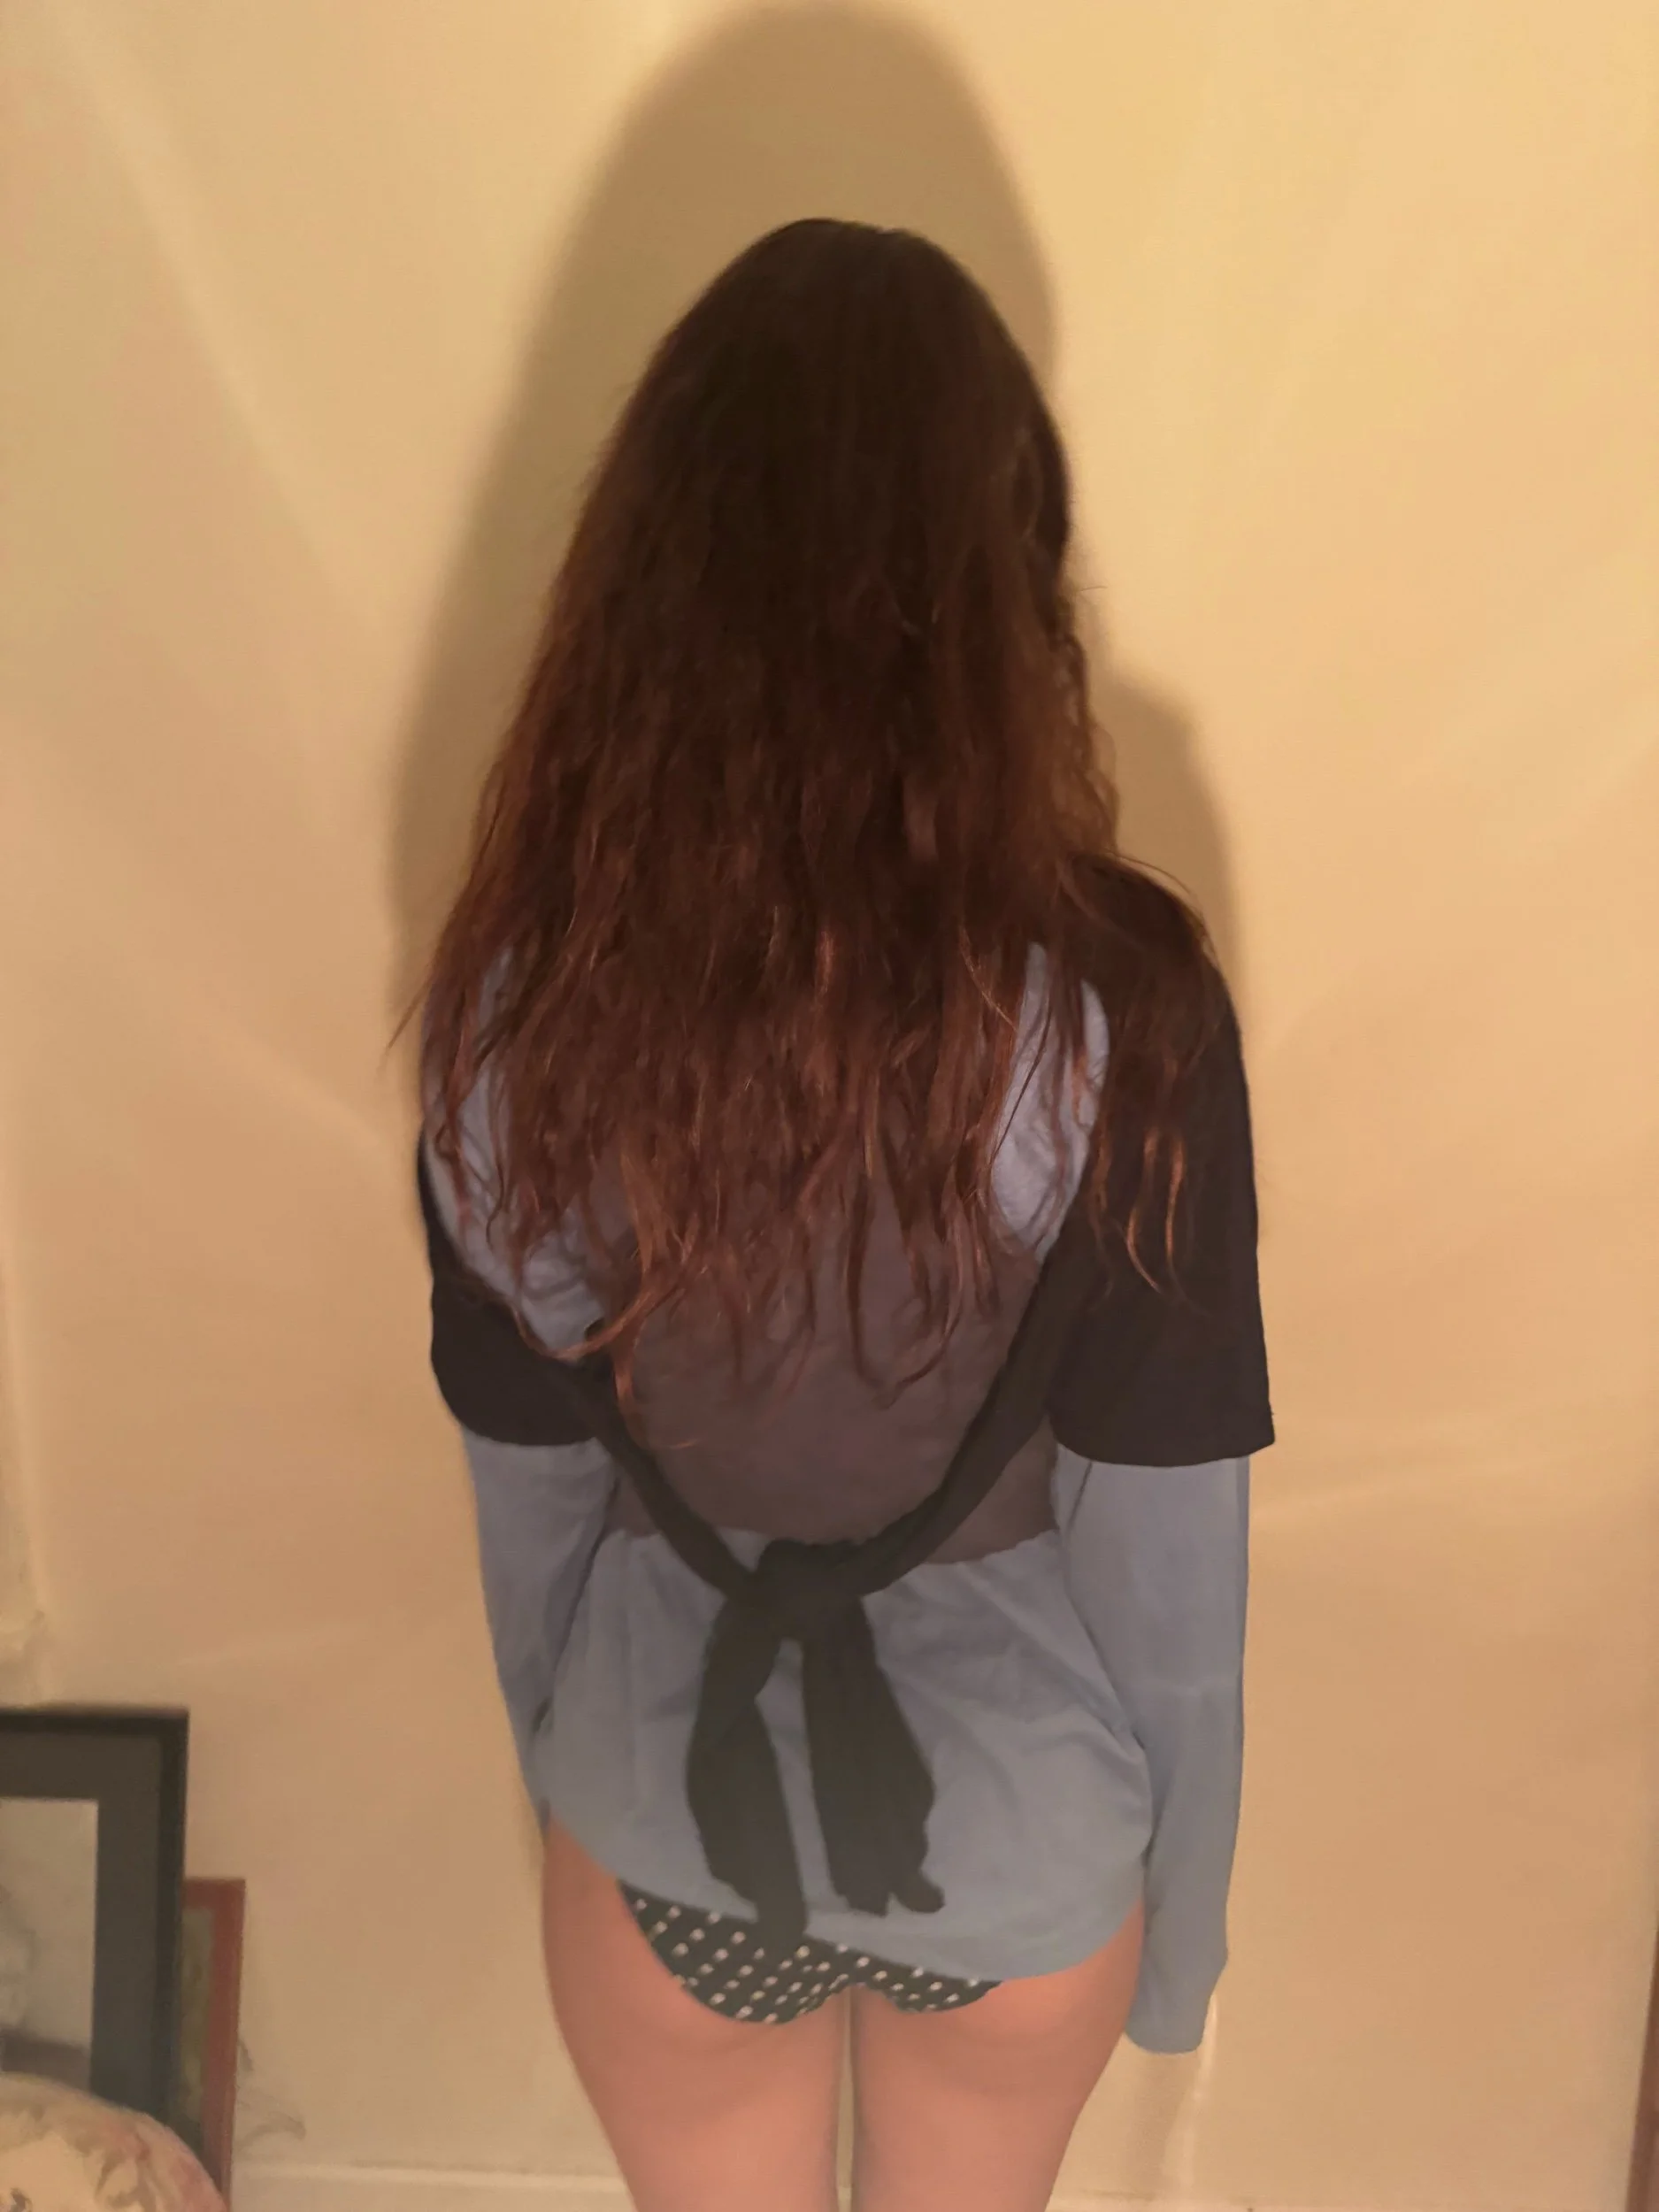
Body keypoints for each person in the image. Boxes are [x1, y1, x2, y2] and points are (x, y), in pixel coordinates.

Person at [414, 219, 1271, 2212]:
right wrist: (1184, 1933)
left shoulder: (516, 1006)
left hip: (664, 1811)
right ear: (1002, 589)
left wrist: (579, 1790)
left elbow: (531, 1512)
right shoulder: (1123, 1008)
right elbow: (1170, 1567)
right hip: (1020, 1843)